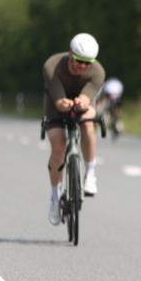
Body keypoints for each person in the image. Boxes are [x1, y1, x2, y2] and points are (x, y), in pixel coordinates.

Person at [43, 33, 106, 225]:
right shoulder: (52, 66)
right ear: (71, 54)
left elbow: (87, 99)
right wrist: (66, 104)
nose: (83, 67)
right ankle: (55, 197)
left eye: (88, 63)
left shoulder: (97, 72)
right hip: (56, 103)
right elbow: (61, 103)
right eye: (79, 61)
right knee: (59, 145)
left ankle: (90, 173)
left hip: (81, 102)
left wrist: (81, 103)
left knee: (88, 123)